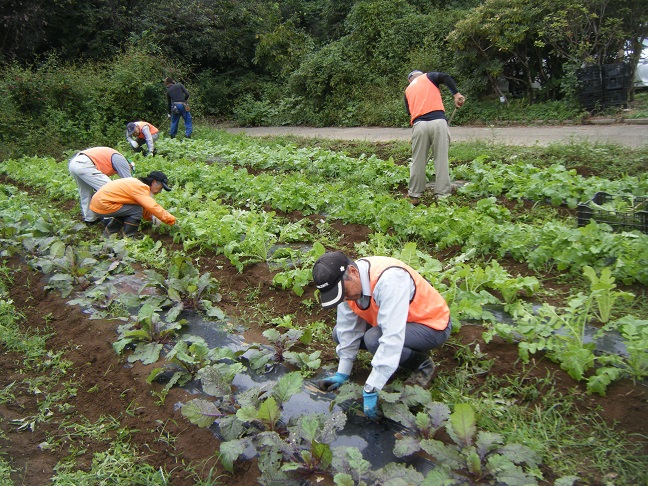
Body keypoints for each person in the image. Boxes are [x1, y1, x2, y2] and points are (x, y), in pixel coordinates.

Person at [313, 251, 451, 420]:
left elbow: (391, 337)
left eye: (344, 292)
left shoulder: (389, 280)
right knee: (338, 334)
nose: (345, 298)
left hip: (431, 325)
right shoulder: (349, 287)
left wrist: (372, 386)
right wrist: (343, 371)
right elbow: (347, 329)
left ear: (353, 272)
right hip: (394, 321)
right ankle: (402, 357)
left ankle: (422, 363)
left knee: (374, 339)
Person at [404, 70, 465, 205]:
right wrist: (456, 94)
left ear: (410, 80)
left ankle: (414, 195)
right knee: (441, 159)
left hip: (419, 125)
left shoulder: (408, 90)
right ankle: (442, 196)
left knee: (418, 160)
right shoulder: (428, 77)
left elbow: (410, 111)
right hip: (438, 122)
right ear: (421, 74)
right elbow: (445, 76)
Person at [89, 171, 177, 237]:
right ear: (154, 182)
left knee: (130, 210)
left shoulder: (138, 184)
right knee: (136, 210)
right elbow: (151, 206)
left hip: (99, 203)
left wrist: (152, 216)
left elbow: (145, 208)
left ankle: (107, 235)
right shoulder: (140, 187)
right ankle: (129, 238)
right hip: (103, 204)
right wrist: (171, 220)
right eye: (161, 188)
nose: (160, 191)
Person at [68, 147, 134, 225]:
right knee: (110, 189)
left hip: (74, 163)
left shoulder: (112, 159)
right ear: (129, 165)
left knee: (86, 193)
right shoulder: (122, 161)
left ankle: (90, 219)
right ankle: (108, 218)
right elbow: (129, 183)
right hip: (85, 164)